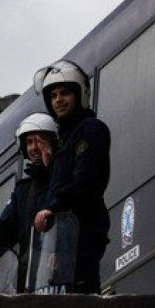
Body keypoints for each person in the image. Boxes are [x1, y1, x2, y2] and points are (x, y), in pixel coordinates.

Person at [32, 59, 110, 294]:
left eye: (64, 93)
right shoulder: (64, 140)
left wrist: (53, 207)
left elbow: (86, 181)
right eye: (53, 95)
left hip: (83, 227)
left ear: (79, 94)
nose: (58, 100)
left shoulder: (90, 128)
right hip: (64, 233)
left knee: (82, 290)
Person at [0, 113, 58, 291]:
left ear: (53, 143)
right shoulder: (23, 190)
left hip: (60, 277)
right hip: (29, 281)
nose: (34, 148)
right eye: (29, 142)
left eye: (39, 141)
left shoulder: (65, 180)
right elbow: (3, 230)